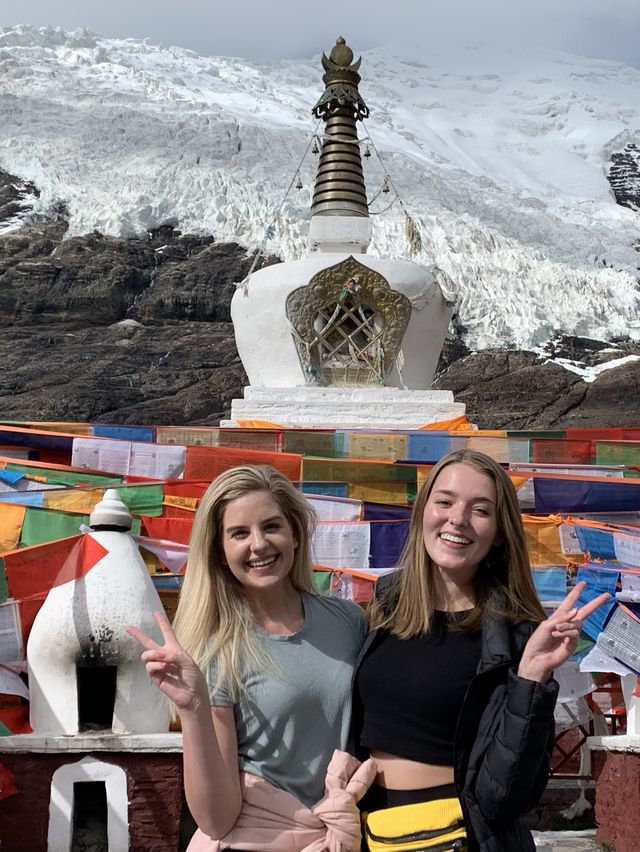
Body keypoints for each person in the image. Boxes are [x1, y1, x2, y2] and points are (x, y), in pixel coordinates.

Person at [352, 449, 610, 852]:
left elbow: (507, 797)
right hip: (368, 832)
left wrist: (530, 680)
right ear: (423, 510)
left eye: (480, 510)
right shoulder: (385, 604)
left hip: (456, 838)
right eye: (445, 501)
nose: (458, 518)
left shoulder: (516, 635)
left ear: (499, 532)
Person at [128, 464, 371, 850]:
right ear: (221, 553)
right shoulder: (216, 650)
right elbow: (216, 819)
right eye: (239, 533)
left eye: (271, 526)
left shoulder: (349, 621)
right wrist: (193, 707)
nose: (258, 544)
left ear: (294, 533)